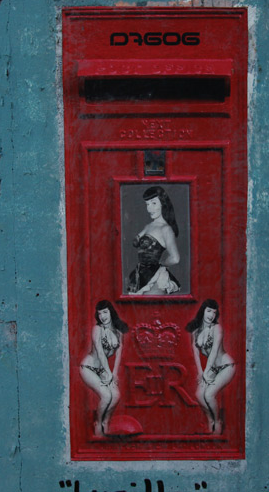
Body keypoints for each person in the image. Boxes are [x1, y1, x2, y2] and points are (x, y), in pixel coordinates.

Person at [186, 299, 235, 434]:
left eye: (214, 312)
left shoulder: (216, 328)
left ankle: (218, 421)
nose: (211, 315)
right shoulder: (195, 332)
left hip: (226, 366)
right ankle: (210, 419)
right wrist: (200, 372)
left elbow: (214, 351)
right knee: (199, 395)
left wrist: (207, 371)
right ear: (203, 311)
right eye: (208, 311)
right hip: (211, 368)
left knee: (208, 395)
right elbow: (196, 353)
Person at [80, 300, 129, 437]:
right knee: (106, 396)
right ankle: (98, 422)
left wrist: (114, 373)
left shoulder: (118, 332)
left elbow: (118, 354)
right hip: (89, 367)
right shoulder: (97, 329)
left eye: (105, 312)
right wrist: (108, 373)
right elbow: (100, 352)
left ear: (111, 312)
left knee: (116, 396)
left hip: (103, 370)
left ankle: (105, 421)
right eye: (100, 313)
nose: (102, 316)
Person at [127, 186, 181, 295]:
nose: (149, 208)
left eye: (154, 203)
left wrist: (162, 264)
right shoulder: (148, 226)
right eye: (147, 204)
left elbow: (175, 259)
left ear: (163, 204)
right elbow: (135, 242)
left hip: (155, 278)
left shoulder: (166, 229)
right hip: (138, 275)